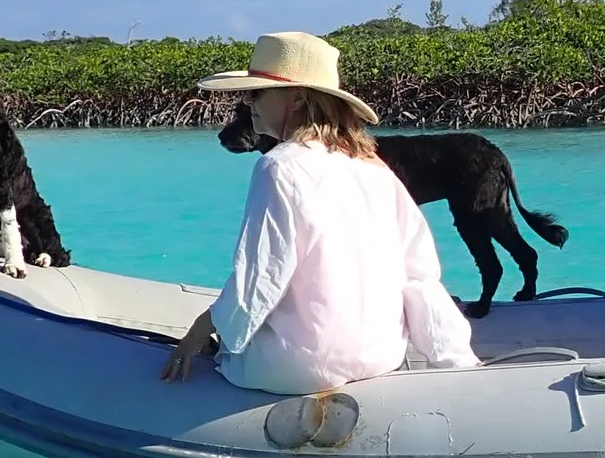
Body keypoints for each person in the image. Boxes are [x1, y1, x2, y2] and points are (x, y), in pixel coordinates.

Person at [161, 31, 480, 392]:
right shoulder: (375, 169)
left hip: (299, 366)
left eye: (257, 93)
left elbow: (260, 278)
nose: (248, 103)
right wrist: (458, 361)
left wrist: (201, 331)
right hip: (381, 356)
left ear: (296, 99)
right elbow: (420, 276)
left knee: (226, 351)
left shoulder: (277, 167)